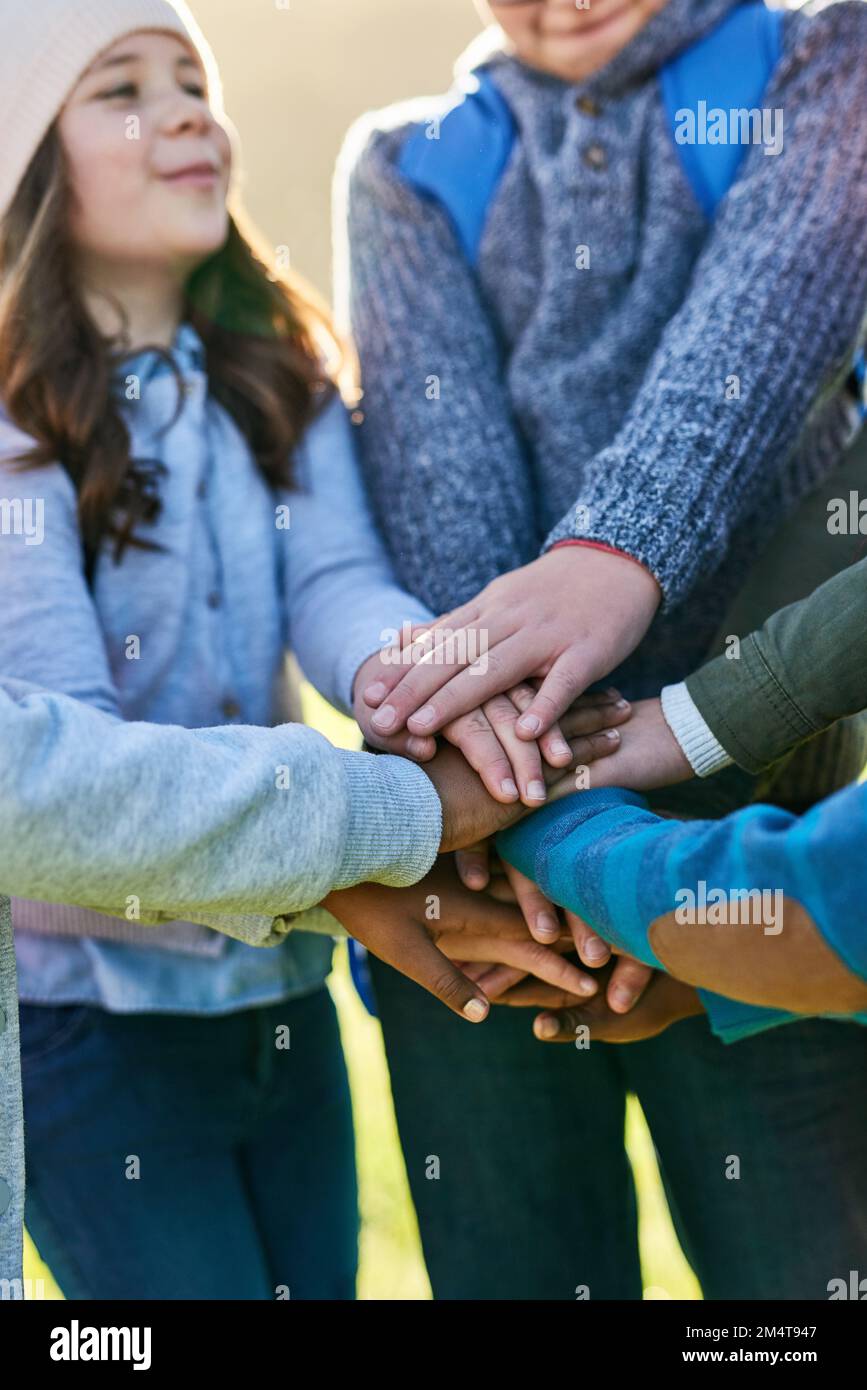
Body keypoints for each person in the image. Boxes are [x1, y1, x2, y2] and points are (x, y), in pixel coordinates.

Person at [0, 0, 624, 1300]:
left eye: (193, 78)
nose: (186, 109)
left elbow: (340, 585)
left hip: (281, 990)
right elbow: (68, 758)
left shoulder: (272, 370)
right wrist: (362, 820)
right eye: (122, 89)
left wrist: (453, 692)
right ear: (28, 169)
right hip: (95, 1018)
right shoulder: (19, 435)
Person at [335, 0, 867, 1297]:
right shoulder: (409, 166)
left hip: (755, 853)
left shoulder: (821, 55)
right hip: (481, 878)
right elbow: (438, 491)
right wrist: (503, 775)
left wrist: (612, 559)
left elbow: (750, 341)